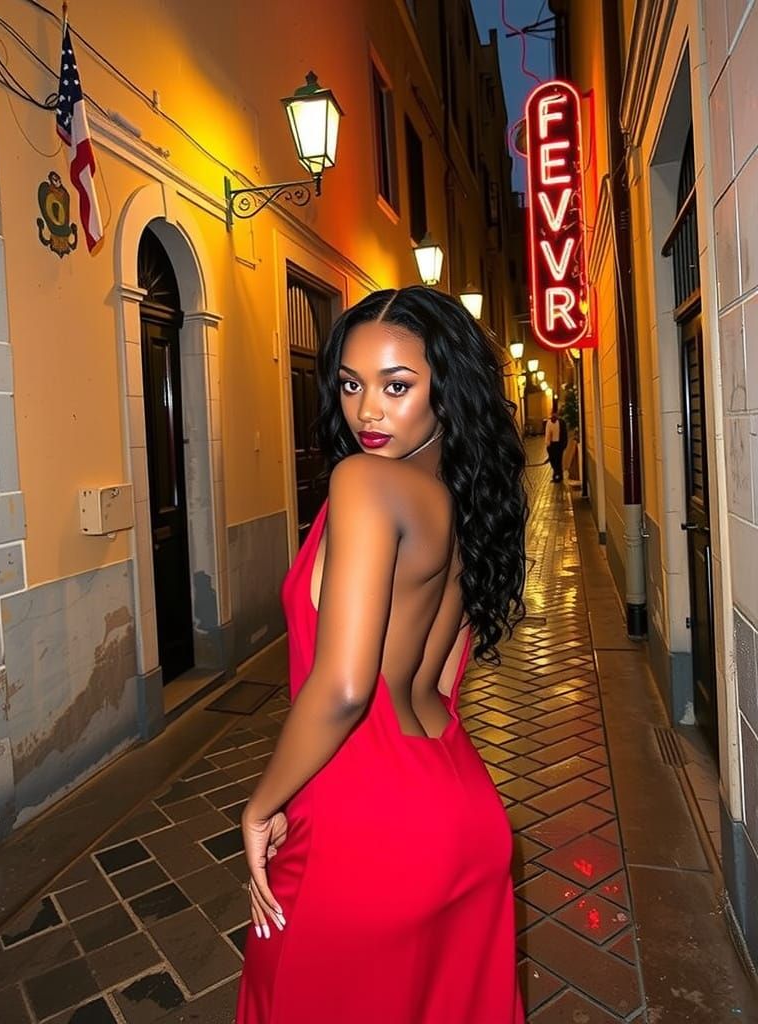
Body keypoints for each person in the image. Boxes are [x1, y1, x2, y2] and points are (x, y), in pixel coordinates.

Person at [236, 286, 527, 1024]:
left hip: (364, 827)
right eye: (351, 385)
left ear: (445, 390)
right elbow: (438, 679)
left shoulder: (364, 483)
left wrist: (262, 804)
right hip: (459, 809)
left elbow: (342, 688)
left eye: (398, 386)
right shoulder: (464, 504)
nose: (368, 411)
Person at [545, 409, 568, 482]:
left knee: (558, 460)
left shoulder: (561, 422)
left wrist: (564, 444)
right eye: (552, 414)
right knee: (552, 460)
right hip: (551, 445)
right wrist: (547, 444)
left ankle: (558, 476)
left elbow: (564, 434)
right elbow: (547, 433)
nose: (554, 416)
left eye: (555, 414)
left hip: (559, 444)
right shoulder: (548, 423)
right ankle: (556, 473)